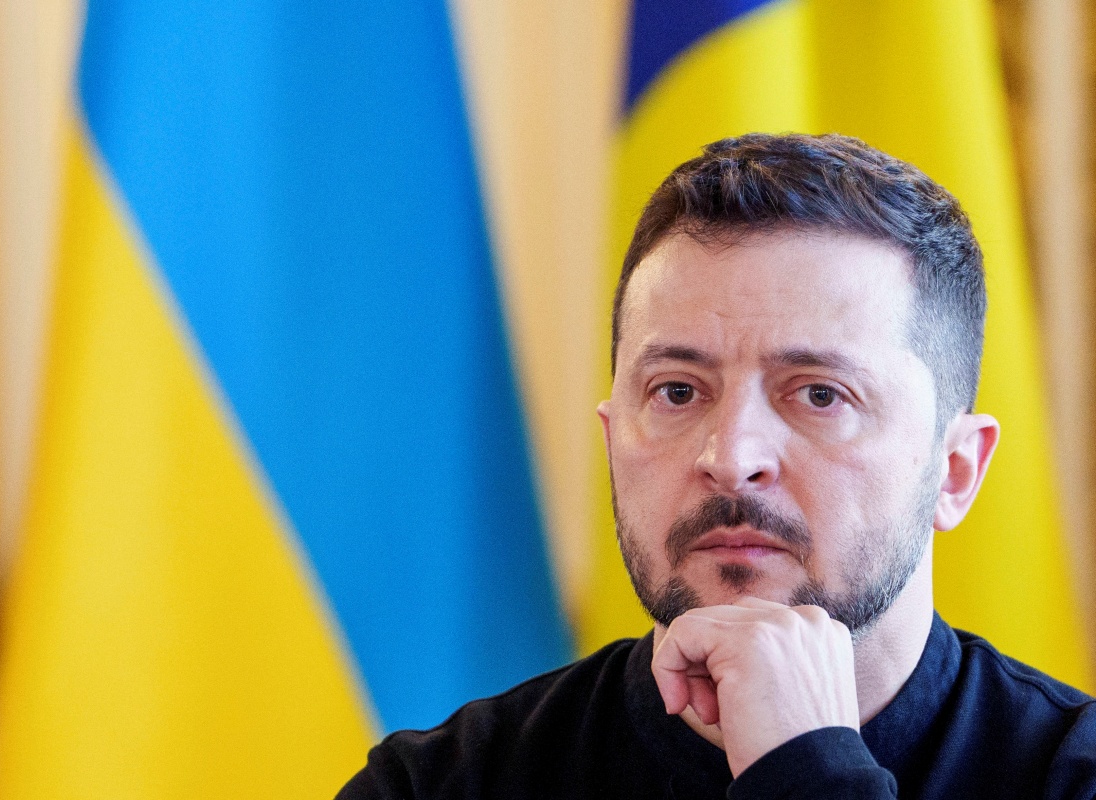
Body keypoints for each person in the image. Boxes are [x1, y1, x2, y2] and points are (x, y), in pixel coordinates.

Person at [337, 133, 1096, 799]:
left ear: (955, 471)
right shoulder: (438, 786)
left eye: (820, 395)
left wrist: (809, 772)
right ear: (612, 440)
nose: (730, 460)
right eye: (677, 391)